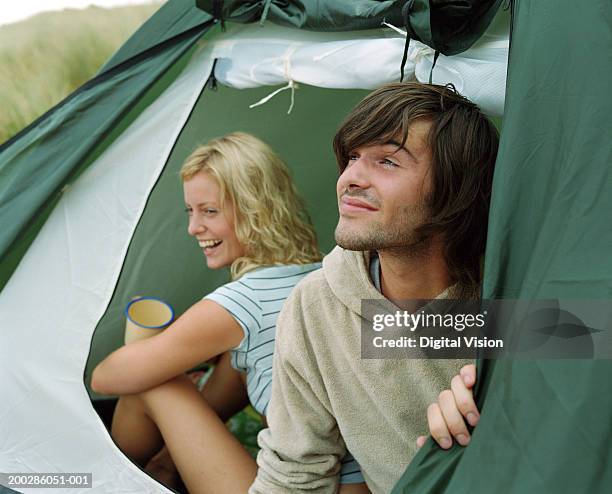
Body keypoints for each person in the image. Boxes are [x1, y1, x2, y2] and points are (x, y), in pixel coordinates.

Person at [249, 82, 499, 494]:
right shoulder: (316, 305)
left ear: (454, 191)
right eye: (352, 157)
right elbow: (294, 473)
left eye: (387, 161)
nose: (351, 179)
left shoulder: (513, 299)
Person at [91, 132, 370, 494]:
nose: (194, 228)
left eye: (209, 211)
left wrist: (164, 358)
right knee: (238, 364)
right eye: (190, 212)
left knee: (155, 382)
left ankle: (109, 478)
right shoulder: (323, 275)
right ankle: (163, 466)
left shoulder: (241, 303)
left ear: (257, 209)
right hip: (366, 485)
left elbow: (104, 378)